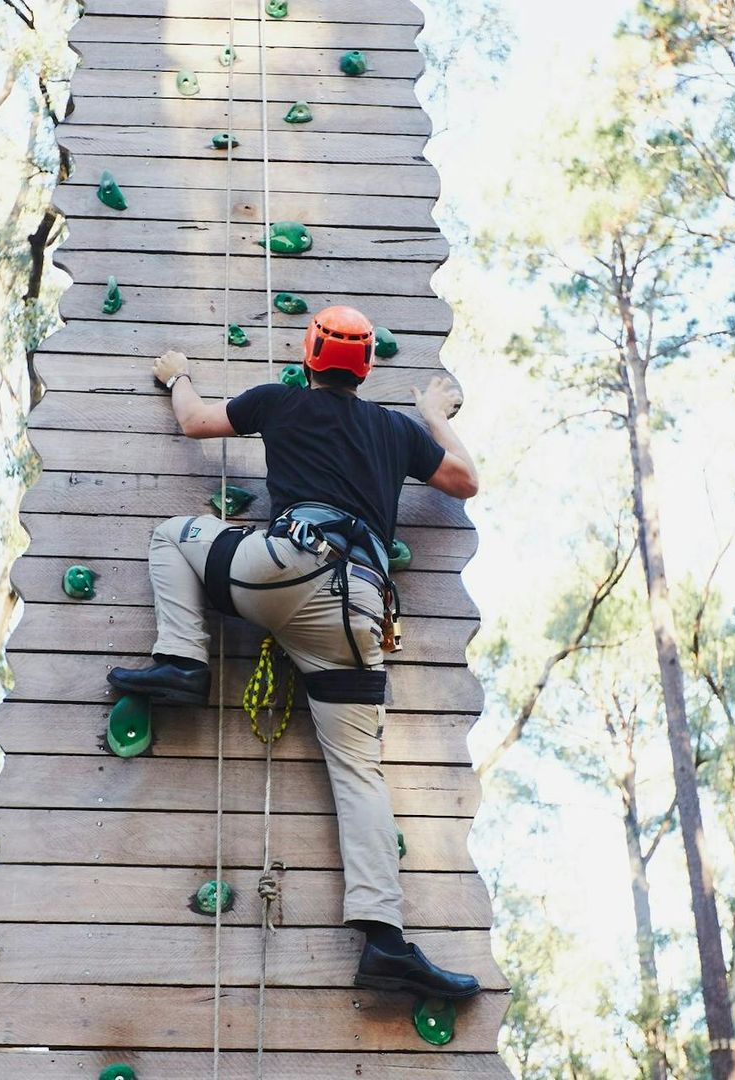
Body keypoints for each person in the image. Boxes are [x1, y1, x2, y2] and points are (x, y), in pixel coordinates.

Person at [106, 305, 482, 999]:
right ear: (366, 368)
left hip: (284, 571)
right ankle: (384, 940)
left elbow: (195, 423)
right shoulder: (395, 430)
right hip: (357, 611)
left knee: (172, 536)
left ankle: (184, 661)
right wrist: (432, 412)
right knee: (360, 774)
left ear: (309, 357)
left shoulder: (278, 403)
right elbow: (465, 479)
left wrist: (178, 375)